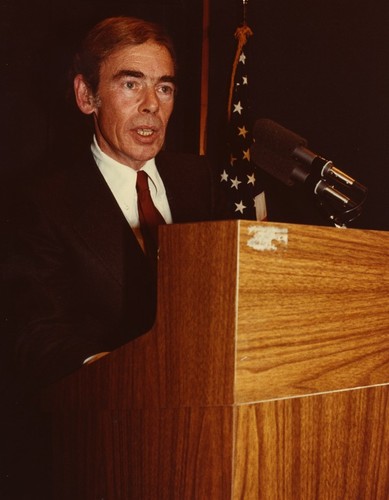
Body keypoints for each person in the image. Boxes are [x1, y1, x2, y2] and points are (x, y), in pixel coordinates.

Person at [6, 16, 229, 387]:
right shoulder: (43, 203)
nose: (151, 106)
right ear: (86, 96)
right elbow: (37, 334)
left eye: (165, 88)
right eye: (130, 84)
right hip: (110, 421)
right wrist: (119, 376)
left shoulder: (200, 181)